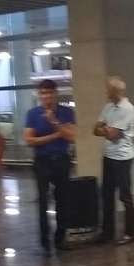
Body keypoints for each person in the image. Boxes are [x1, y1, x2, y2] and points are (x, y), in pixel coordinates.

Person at [24, 79, 76, 253]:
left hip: (61, 160)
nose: (46, 96)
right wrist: (55, 136)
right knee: (43, 201)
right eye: (43, 93)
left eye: (49, 93)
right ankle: (45, 242)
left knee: (63, 200)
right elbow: (29, 140)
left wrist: (53, 121)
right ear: (39, 95)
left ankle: (60, 239)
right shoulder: (32, 114)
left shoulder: (66, 112)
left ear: (55, 94)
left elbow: (71, 137)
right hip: (42, 162)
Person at [93, 77, 134, 245]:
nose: (105, 92)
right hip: (108, 155)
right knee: (106, 194)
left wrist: (104, 129)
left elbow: (113, 135)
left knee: (125, 196)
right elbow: (94, 129)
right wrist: (106, 129)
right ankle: (107, 232)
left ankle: (129, 233)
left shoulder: (128, 109)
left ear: (115, 91)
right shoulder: (108, 107)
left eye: (108, 89)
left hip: (122, 158)